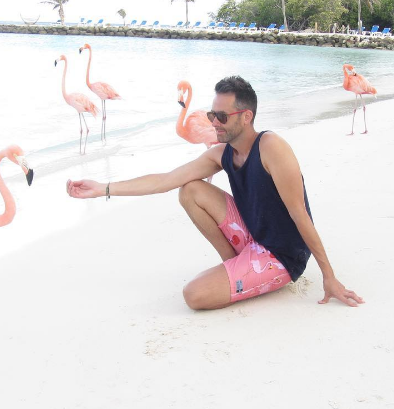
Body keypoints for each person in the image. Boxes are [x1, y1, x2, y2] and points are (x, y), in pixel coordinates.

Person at [66, 76, 363, 310]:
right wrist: (103, 189)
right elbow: (165, 180)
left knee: (194, 295)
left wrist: (329, 276)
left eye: (221, 116)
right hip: (253, 236)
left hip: (281, 255)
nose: (213, 123)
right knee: (190, 189)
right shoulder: (221, 153)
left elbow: (301, 215)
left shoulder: (273, 148)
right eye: (211, 114)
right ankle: (234, 264)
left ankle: (249, 272)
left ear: (245, 117)